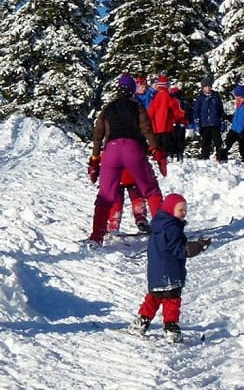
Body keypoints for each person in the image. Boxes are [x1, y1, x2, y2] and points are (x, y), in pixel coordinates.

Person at [86, 73, 165, 247]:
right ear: (131, 90)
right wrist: (156, 151)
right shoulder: (136, 106)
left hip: (111, 151)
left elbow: (98, 134)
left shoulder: (107, 108)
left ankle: (97, 236)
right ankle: (164, 231)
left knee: (105, 195)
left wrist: (94, 159)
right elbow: (147, 129)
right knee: (150, 189)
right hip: (133, 149)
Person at [125, 193, 210, 342]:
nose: (184, 213)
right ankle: (171, 328)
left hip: (156, 271)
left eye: (185, 210)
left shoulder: (160, 225)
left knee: (154, 297)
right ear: (171, 210)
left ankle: (141, 322)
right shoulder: (172, 228)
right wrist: (198, 246)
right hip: (170, 271)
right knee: (171, 300)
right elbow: (179, 249)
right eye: (180, 210)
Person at [147, 75, 186, 164]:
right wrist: (182, 116)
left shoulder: (155, 97)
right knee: (166, 143)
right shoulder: (168, 96)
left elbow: (150, 112)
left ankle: (157, 157)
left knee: (158, 142)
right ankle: (166, 157)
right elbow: (175, 109)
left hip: (156, 126)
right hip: (166, 125)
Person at [219, 85, 244, 167]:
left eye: (238, 96)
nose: (237, 98)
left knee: (243, 148)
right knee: (226, 144)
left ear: (243, 96)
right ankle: (221, 159)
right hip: (234, 129)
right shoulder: (239, 104)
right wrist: (230, 117)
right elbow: (238, 117)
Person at [107, 164, 150, 235]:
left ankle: (113, 225)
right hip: (132, 171)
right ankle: (141, 219)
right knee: (136, 196)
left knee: (116, 200)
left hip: (114, 173)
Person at [193, 79, 226, 160]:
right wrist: (196, 120)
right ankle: (205, 156)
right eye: (205, 87)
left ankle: (221, 157)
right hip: (204, 123)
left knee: (218, 141)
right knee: (205, 141)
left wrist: (222, 119)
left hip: (215, 122)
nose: (207, 88)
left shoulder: (216, 96)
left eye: (209, 86)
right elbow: (196, 110)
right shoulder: (200, 98)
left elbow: (220, 109)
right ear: (203, 88)